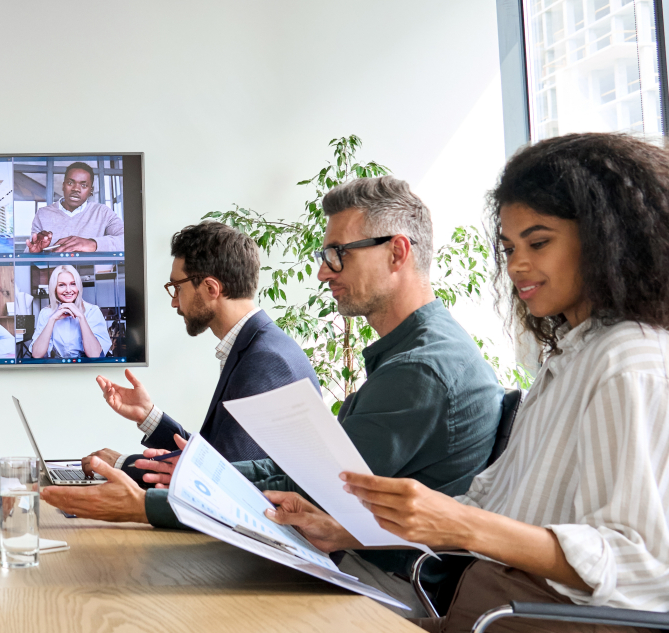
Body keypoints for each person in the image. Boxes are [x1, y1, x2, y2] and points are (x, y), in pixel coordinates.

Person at [269, 133, 669, 632]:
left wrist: (458, 523)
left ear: (606, 239)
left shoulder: (628, 361)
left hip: (528, 619)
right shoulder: (570, 354)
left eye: (538, 242)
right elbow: (485, 506)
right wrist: (345, 530)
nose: (517, 265)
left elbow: (639, 564)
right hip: (485, 606)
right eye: (508, 247)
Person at [46, 176, 503, 611]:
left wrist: (148, 503)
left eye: (338, 254)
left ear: (397, 252)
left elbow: (314, 487)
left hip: (379, 583)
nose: (323, 272)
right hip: (355, 561)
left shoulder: (420, 370)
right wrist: (178, 473)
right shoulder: (414, 354)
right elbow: (301, 471)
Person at [75, 222, 319, 487]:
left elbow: (220, 480)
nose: (174, 301)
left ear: (211, 288)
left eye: (177, 287)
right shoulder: (256, 345)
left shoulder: (264, 360)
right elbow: (215, 458)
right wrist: (149, 416)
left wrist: (121, 466)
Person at [24, 162, 125, 253]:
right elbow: (30, 251)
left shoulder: (103, 212)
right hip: (53, 273)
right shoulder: (43, 214)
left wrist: (92, 243)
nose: (76, 189)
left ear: (91, 191)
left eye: (84, 185)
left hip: (90, 274)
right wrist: (35, 253)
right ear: (63, 186)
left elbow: (127, 240)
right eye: (70, 183)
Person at [29, 264, 111, 359]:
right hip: (59, 368)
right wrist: (52, 320)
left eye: (73, 284)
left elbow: (95, 355)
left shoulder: (93, 311)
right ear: (54, 289)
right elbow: (37, 355)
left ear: (78, 286)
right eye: (62, 285)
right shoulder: (46, 313)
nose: (68, 290)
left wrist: (81, 317)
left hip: (87, 368)